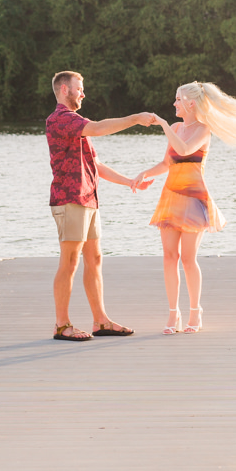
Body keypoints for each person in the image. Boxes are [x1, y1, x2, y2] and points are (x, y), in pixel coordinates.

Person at [134, 81, 236, 335]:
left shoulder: (203, 130)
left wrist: (163, 125)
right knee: (169, 257)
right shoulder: (177, 127)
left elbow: (185, 149)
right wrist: (144, 173)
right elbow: (167, 163)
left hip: (194, 199)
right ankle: (172, 314)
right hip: (171, 197)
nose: (174, 103)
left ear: (190, 103)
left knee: (188, 258)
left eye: (178, 99)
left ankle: (195, 312)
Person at [47, 70, 156, 342]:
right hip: (70, 199)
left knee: (94, 260)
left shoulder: (76, 125)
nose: (83, 93)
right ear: (64, 89)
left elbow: (94, 165)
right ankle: (62, 325)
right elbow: (98, 127)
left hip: (88, 199)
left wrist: (129, 181)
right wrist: (134, 119)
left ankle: (101, 321)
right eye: (79, 88)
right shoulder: (61, 119)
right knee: (70, 262)